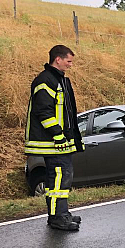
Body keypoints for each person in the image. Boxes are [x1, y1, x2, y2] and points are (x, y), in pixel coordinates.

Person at [25, 45, 84, 231]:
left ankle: (61, 213)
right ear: (57, 59)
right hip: (52, 142)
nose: (70, 65)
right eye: (68, 61)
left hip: (59, 141)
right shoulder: (45, 81)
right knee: (59, 178)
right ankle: (58, 217)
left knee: (60, 179)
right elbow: (43, 112)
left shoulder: (59, 80)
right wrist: (58, 135)